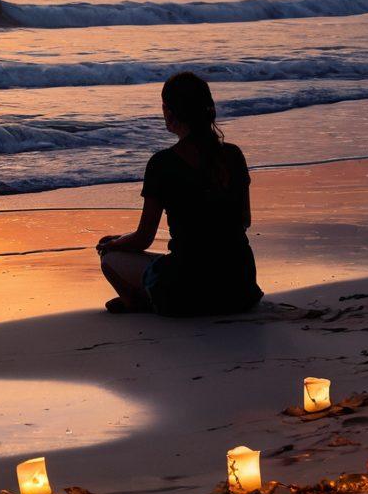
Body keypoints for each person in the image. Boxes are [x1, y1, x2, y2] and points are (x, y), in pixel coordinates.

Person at [97, 72, 262, 316]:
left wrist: (113, 243)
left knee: (109, 258)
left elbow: (144, 238)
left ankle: (138, 302)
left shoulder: (162, 163)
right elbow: (244, 220)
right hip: (240, 287)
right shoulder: (233, 155)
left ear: (170, 112)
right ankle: (145, 297)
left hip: (186, 292)